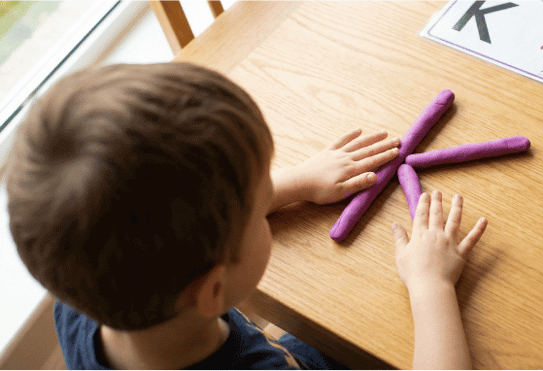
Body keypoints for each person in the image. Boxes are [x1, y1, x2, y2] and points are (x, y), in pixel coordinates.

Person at [4, 62, 486, 369]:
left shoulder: (81, 298)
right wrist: (431, 287)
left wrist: (296, 181)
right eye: (260, 207)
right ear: (214, 290)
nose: (272, 197)